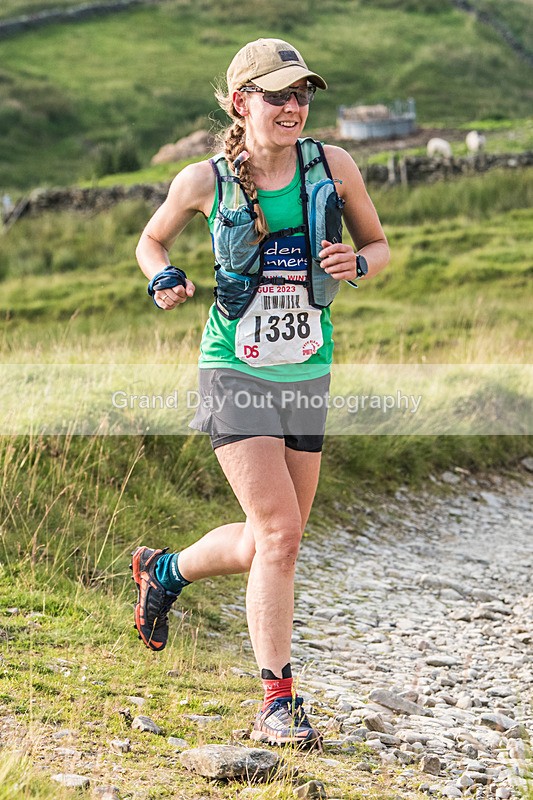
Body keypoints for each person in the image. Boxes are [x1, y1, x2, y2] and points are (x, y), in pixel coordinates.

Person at [132, 37, 389, 749]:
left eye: (303, 94)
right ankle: (277, 701)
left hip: (307, 370)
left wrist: (356, 262)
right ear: (241, 101)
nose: (294, 107)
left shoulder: (333, 166)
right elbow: (150, 242)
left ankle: (165, 570)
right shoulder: (202, 180)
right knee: (278, 534)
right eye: (279, 94)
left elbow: (378, 244)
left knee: (269, 541)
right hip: (233, 369)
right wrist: (162, 276)